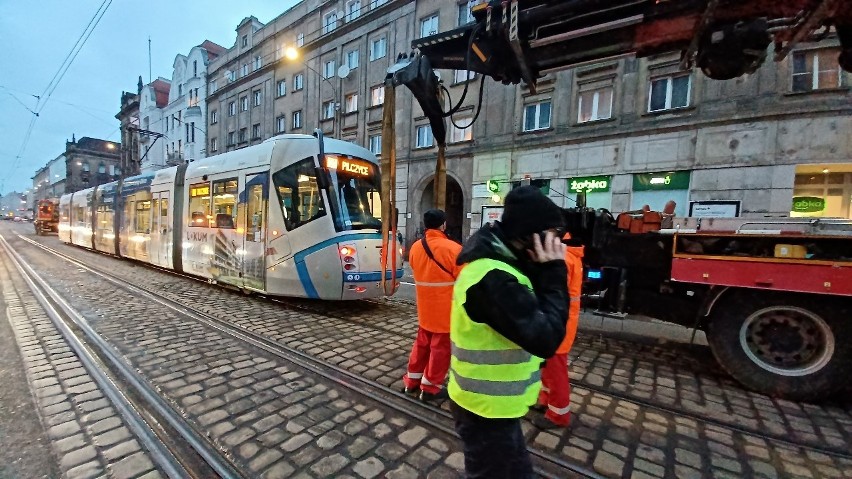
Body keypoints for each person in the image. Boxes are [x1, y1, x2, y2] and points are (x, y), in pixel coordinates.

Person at [448, 186, 569, 479]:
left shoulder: (506, 266)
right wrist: (553, 273)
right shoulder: (493, 278)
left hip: (496, 408)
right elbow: (546, 338)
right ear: (532, 235)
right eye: (555, 234)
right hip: (486, 411)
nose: (560, 243)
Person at [402, 209, 462, 402]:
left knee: (421, 345)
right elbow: (465, 279)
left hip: (425, 309)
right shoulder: (453, 248)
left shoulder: (416, 247)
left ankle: (411, 382)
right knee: (440, 350)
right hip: (445, 312)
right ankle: (429, 388)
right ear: (443, 225)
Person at [532, 232, 585, 429]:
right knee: (547, 365)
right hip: (560, 321)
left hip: (558, 324)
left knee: (556, 369)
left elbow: (550, 291)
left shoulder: (563, 260)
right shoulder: (570, 256)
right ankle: (546, 399)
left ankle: (558, 414)